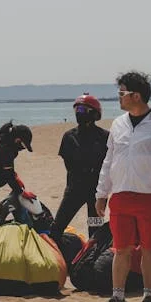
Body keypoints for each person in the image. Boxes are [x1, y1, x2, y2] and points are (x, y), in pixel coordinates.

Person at [95, 71, 151, 302]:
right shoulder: (118, 124)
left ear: (136, 95)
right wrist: (102, 193)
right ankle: (117, 296)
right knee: (120, 249)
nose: (119, 98)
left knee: (149, 249)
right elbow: (109, 160)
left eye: (122, 93)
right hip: (120, 196)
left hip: (149, 196)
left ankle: (148, 296)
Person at [49, 93, 109, 243]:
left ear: (94, 113)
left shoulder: (105, 137)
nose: (78, 113)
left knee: (95, 230)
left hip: (97, 192)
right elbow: (68, 164)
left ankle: (91, 260)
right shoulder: (69, 137)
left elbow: (108, 165)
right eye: (76, 110)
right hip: (74, 190)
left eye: (82, 110)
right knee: (58, 226)